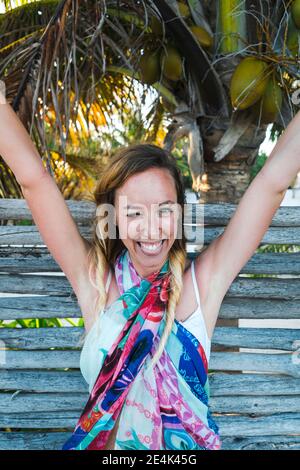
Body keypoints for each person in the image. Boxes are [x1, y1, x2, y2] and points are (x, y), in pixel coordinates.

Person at [0, 87, 298, 450]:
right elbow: (36, 183)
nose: (152, 227)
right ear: (113, 219)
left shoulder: (202, 284)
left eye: (165, 209)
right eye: (134, 212)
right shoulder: (95, 283)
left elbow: (271, 184)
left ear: (181, 214)